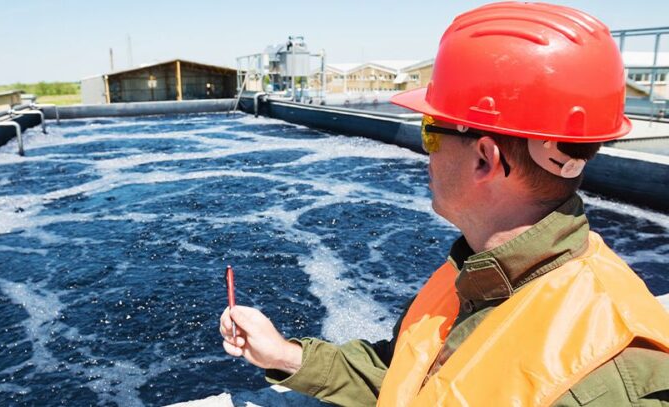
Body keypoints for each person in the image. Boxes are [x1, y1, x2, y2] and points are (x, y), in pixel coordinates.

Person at [219, 2, 669, 406]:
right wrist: (285, 354)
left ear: (484, 158)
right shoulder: (478, 273)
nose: (425, 150)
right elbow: (409, 379)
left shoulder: (608, 378)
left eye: (431, 129)